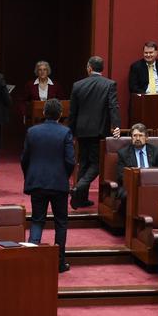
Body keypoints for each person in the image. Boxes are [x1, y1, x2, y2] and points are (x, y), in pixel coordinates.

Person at [21, 99, 75, 273]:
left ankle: (30, 260)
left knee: (37, 220)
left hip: (37, 182)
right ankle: (59, 262)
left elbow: (25, 159)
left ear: (44, 113)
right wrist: (63, 177)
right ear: (60, 115)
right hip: (59, 183)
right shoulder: (65, 132)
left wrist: (30, 175)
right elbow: (70, 161)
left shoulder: (32, 131)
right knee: (61, 222)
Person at [68, 56, 121, 210]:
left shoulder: (78, 85)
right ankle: (80, 188)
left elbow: (73, 112)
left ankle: (79, 198)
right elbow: (113, 106)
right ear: (101, 69)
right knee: (97, 164)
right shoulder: (109, 84)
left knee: (83, 162)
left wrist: (70, 133)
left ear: (89, 68)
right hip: (99, 130)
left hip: (81, 130)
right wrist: (116, 125)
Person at [115, 123, 158, 204]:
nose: (137, 138)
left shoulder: (156, 151)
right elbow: (121, 176)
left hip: (151, 185)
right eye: (134, 136)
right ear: (131, 138)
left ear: (146, 138)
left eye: (140, 135)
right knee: (128, 195)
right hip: (131, 186)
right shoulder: (123, 153)